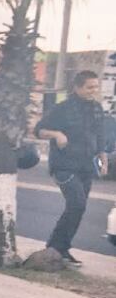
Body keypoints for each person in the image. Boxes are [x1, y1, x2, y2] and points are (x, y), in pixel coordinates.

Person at [35, 70, 109, 265]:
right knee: (77, 204)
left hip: (86, 167)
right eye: (89, 87)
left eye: (96, 87)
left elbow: (100, 138)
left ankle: (60, 248)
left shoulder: (97, 109)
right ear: (77, 87)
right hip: (64, 166)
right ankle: (56, 246)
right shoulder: (62, 109)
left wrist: (103, 160)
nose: (94, 90)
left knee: (77, 208)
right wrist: (57, 134)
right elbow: (39, 130)